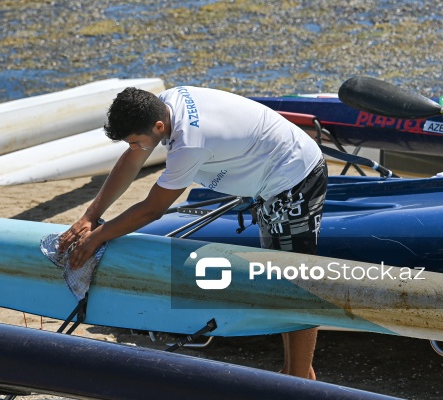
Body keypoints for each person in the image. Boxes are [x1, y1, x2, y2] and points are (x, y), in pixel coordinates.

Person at [59, 85, 328, 379]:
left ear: (158, 126)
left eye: (136, 141)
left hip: (294, 177)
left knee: (293, 282)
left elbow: (153, 208)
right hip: (270, 177)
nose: (135, 148)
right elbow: (132, 159)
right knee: (280, 278)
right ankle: (297, 372)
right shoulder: (164, 103)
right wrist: (91, 215)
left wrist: (98, 235)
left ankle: (301, 382)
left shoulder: (189, 143)